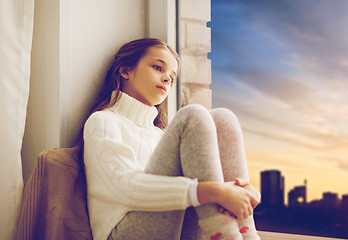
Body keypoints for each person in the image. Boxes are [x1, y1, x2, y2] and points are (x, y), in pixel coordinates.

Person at [82, 38, 260, 240]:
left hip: (173, 230)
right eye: (158, 67)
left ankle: (247, 233)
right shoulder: (103, 122)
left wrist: (244, 194)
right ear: (125, 71)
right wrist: (214, 191)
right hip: (123, 232)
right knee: (192, 115)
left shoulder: (160, 135)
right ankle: (225, 235)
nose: (167, 78)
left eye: (172, 77)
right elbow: (127, 189)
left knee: (223, 117)